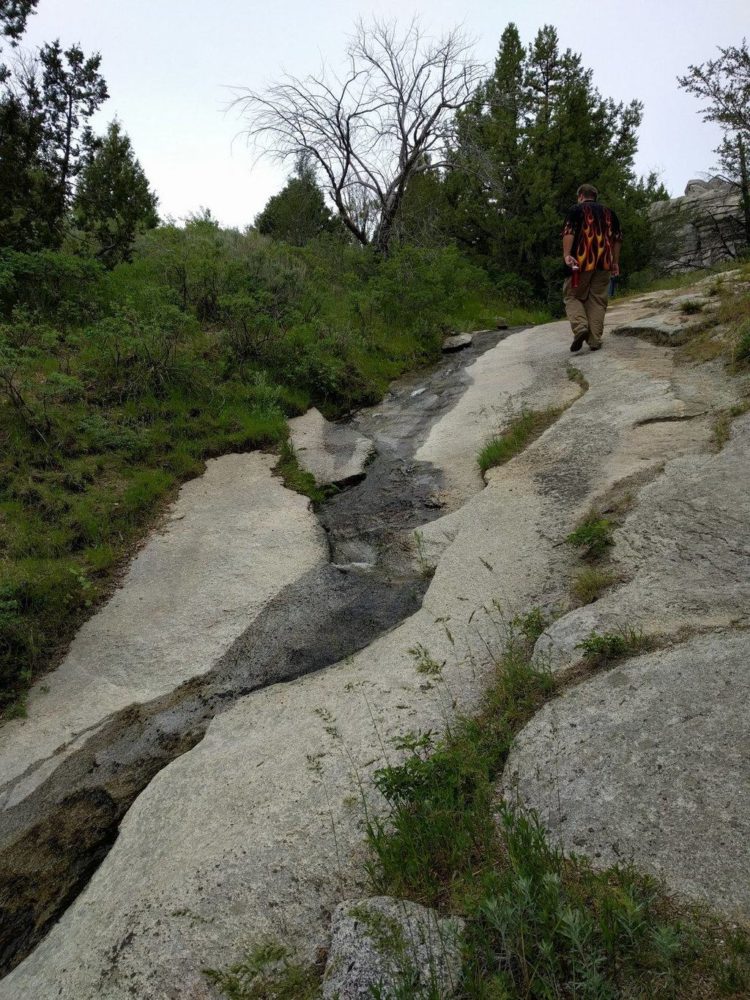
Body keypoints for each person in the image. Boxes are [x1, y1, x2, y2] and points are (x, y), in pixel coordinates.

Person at [561, 184, 623, 352]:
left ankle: (580, 326)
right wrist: (615, 262)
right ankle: (595, 339)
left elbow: (569, 232)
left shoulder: (576, 210)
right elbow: (617, 239)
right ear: (594, 196)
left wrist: (567, 254)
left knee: (572, 296)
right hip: (604, 263)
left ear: (581, 195)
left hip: (579, 263)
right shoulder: (610, 213)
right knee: (597, 300)